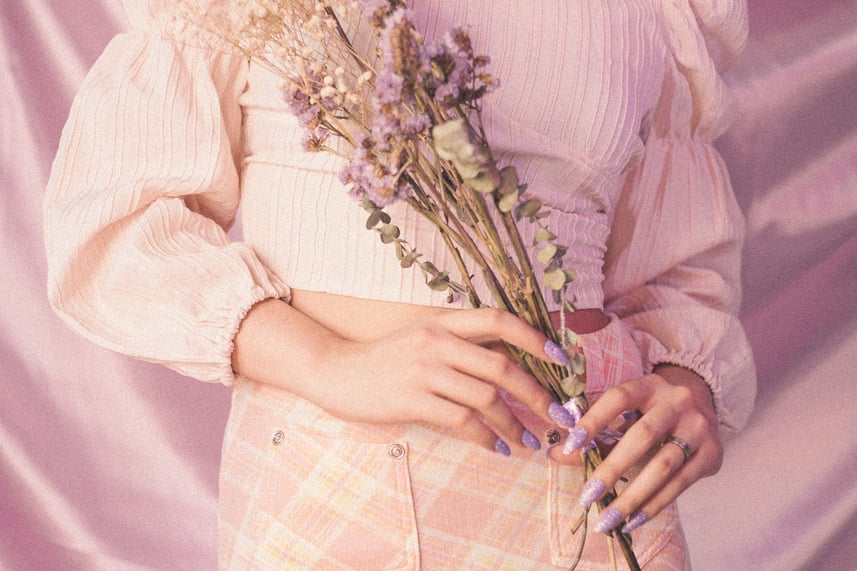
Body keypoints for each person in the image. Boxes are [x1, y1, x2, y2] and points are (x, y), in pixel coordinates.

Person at [44, 0, 756, 568]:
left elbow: (676, 272)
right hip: (336, 486)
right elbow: (116, 228)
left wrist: (685, 384)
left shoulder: (661, 10)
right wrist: (329, 363)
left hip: (590, 493)